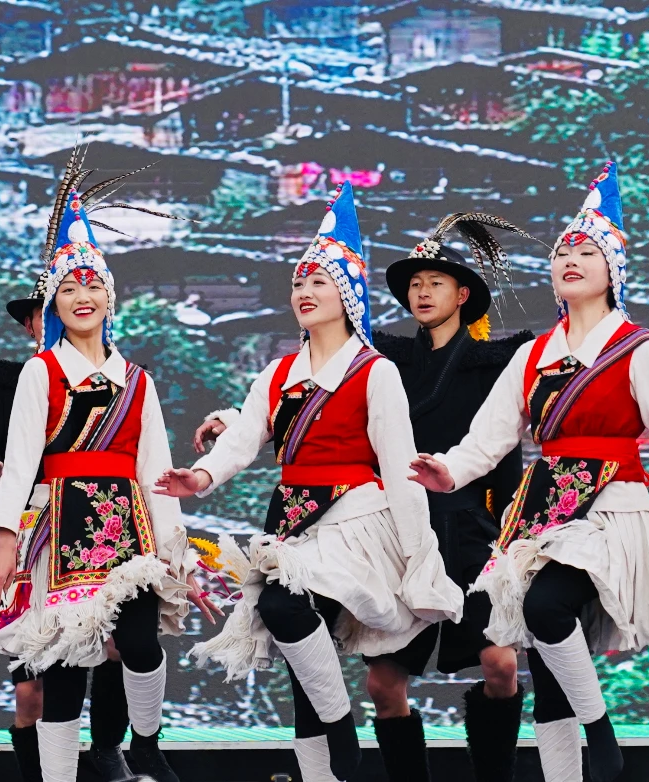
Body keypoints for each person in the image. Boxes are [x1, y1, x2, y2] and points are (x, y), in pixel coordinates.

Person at [408, 162, 649, 782]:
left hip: (609, 508)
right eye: (562, 253)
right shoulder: (532, 354)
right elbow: (487, 439)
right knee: (545, 663)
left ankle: (599, 727)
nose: (569, 260)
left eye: (586, 252)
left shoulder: (639, 348)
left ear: (613, 271)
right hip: (543, 507)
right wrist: (448, 471)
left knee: (545, 607)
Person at [157, 182, 463, 782]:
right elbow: (245, 438)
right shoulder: (277, 374)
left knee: (280, 604)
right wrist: (201, 475)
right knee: (299, 652)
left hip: (356, 523)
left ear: (346, 294)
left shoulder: (375, 373)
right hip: (293, 523)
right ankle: (325, 763)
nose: (304, 291)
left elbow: (400, 469)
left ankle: (341, 724)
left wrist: (417, 557)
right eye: (299, 282)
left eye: (319, 280)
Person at [0, 153, 219, 782]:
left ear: (109, 297)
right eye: (68, 289)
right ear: (54, 303)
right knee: (63, 673)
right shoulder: (41, 372)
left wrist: (176, 554)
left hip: (129, 532)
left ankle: (146, 742)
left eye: (91, 287)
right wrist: (4, 545)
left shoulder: (137, 380)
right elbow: (22, 461)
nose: (81, 297)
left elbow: (157, 473)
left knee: (139, 642)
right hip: (59, 529)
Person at [359, 214, 534, 782]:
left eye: (435, 282)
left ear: (463, 296)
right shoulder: (385, 363)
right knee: (383, 683)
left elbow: (505, 452)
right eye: (415, 284)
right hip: (400, 530)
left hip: (471, 527)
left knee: (500, 663)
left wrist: (508, 530)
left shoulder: (495, 364)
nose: (422, 292)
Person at [0, 272, 137, 782]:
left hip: (101, 530)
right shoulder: (8, 383)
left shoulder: (119, 381)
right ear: (30, 325)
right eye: (46, 312)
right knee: (31, 689)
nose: (59, 317)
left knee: (114, 646)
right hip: (34, 538)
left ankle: (108, 749)